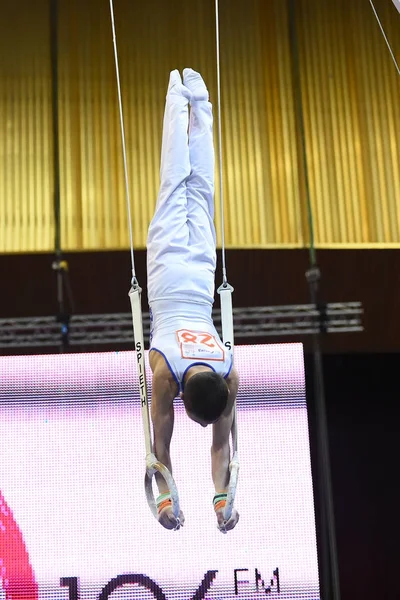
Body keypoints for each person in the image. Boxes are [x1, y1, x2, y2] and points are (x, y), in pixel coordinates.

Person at [147, 68, 239, 533]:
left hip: (202, 275)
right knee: (174, 183)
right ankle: (174, 95)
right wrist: (165, 501)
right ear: (184, 399)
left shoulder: (228, 370)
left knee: (199, 190)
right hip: (165, 277)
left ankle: (198, 102)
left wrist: (225, 498)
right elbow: (158, 448)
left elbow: (223, 444)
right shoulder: (165, 375)